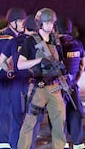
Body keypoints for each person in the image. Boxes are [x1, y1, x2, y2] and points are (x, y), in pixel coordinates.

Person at [17, 8, 66, 149]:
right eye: (47, 22)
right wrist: (39, 61)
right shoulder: (30, 41)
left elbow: (60, 62)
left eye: (52, 22)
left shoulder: (56, 41)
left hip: (54, 87)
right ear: (40, 23)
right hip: (37, 88)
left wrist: (62, 70)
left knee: (59, 122)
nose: (50, 25)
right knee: (29, 123)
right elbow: (20, 65)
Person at [0, 15, 42, 149]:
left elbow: (1, 62)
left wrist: (10, 71)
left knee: (16, 120)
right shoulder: (40, 43)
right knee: (32, 121)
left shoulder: (14, 41)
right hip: (35, 85)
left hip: (17, 84)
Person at [0, 7, 26, 149]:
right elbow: (3, 61)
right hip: (5, 80)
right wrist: (12, 71)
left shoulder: (2, 35)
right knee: (6, 112)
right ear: (12, 22)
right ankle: (3, 144)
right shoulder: (8, 38)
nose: (23, 23)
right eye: (20, 21)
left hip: (1, 80)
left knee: (2, 111)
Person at [56, 18, 85, 149]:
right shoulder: (78, 44)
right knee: (75, 113)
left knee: (57, 115)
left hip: (57, 86)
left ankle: (62, 144)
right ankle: (78, 143)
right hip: (72, 85)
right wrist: (75, 80)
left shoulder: (55, 44)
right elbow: (82, 64)